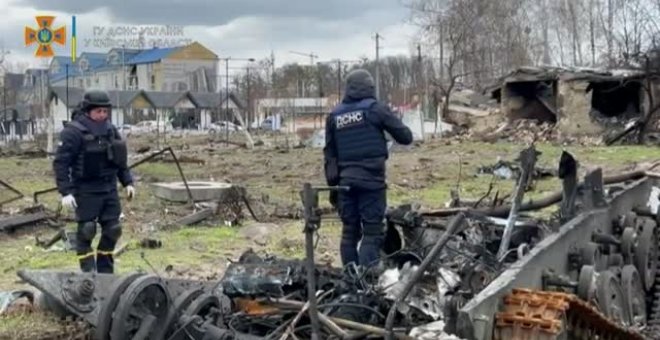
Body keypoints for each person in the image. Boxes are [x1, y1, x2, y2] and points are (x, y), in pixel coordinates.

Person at [324, 69, 413, 268]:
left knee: (349, 233)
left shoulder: (334, 116)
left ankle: (350, 279)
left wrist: (333, 187)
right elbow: (406, 137)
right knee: (372, 233)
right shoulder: (375, 109)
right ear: (370, 87)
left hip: (344, 184)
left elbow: (329, 155)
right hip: (371, 182)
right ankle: (366, 285)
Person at [53, 89, 135, 274]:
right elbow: (61, 163)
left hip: (108, 189)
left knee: (113, 230)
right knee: (87, 231)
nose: (102, 115)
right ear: (88, 111)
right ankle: (89, 273)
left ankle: (106, 273)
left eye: (105, 111)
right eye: (98, 111)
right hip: (85, 190)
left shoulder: (111, 130)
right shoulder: (73, 132)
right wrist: (65, 192)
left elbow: (120, 161)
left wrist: (128, 182)